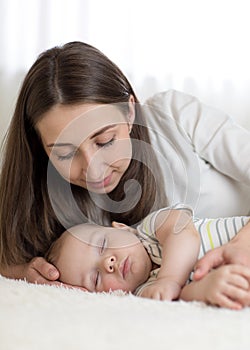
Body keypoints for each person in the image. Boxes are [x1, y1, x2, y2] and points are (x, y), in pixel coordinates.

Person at [0, 41, 250, 284]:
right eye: (65, 154)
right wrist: (23, 271)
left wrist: (242, 244)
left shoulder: (173, 116)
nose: (93, 170)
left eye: (105, 141)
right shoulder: (52, 204)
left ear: (130, 112)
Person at [45, 205, 250, 310]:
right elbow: (180, 298)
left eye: (103, 245)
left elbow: (183, 233)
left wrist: (169, 279)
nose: (107, 263)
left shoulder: (151, 227)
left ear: (122, 228)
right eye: (96, 278)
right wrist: (205, 288)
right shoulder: (142, 293)